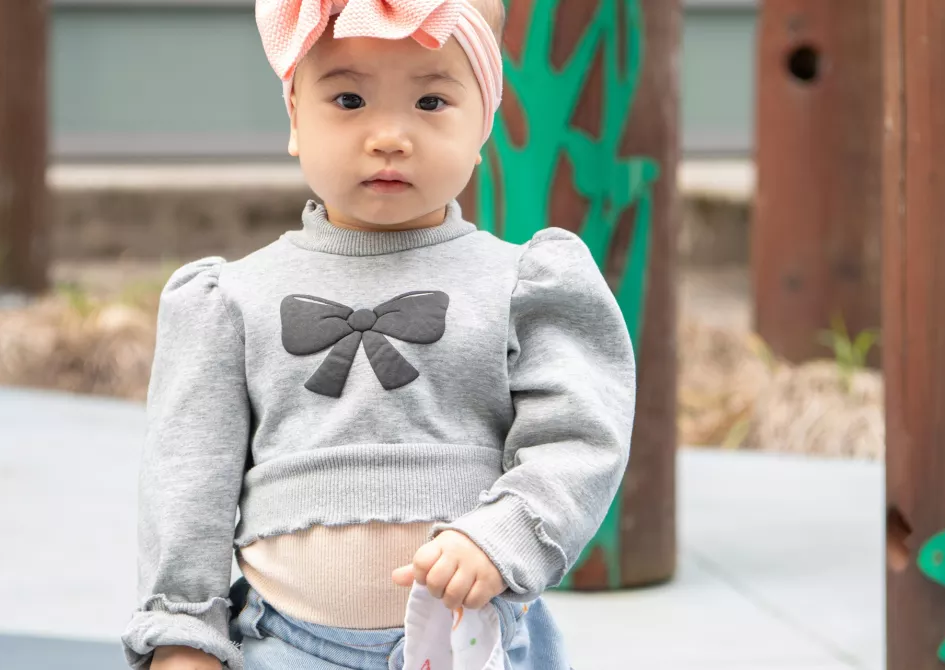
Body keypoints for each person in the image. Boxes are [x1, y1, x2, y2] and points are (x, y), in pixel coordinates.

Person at [121, 1, 635, 668]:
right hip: (285, 643)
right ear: (295, 118)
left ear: (484, 125)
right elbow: (186, 484)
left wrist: (505, 536)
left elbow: (580, 435)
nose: (389, 135)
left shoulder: (524, 284)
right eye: (349, 97)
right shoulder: (231, 301)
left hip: (471, 641)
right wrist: (182, 632)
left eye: (430, 101)